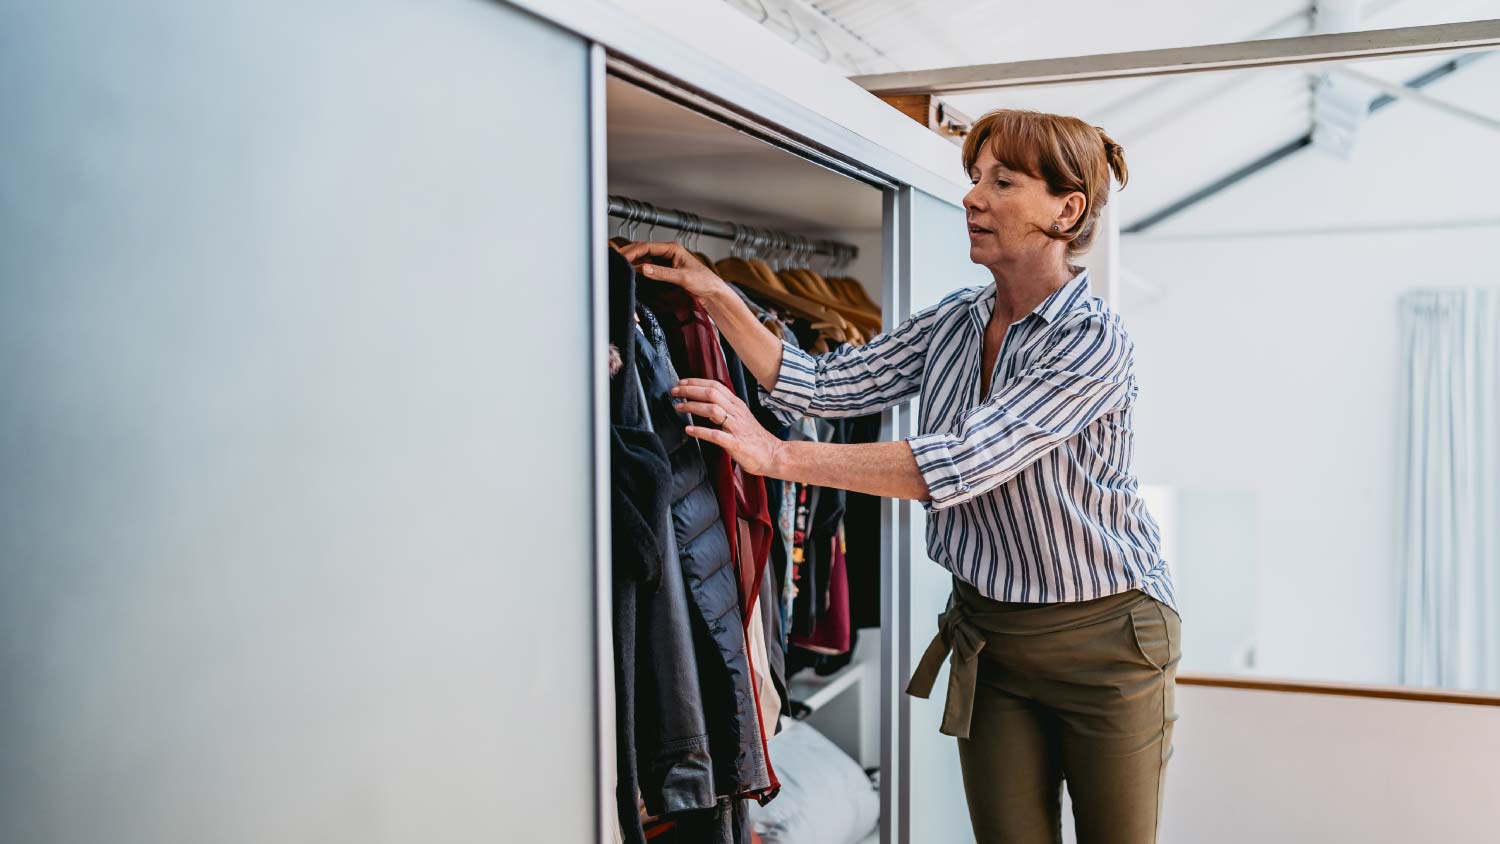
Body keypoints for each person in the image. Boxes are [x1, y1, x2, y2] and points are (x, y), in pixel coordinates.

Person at [622, 109, 1180, 844]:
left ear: (1065, 210)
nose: (973, 198)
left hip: (1108, 640)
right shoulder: (955, 321)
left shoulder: (1094, 342)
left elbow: (963, 460)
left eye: (1002, 182)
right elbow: (822, 382)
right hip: (993, 637)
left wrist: (778, 455)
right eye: (974, 178)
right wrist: (714, 292)